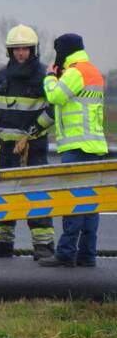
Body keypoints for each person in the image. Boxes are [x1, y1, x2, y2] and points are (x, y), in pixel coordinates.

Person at [0, 25, 56, 260]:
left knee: (37, 195)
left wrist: (32, 131)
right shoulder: (0, 76)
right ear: (9, 52)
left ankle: (43, 245)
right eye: (16, 49)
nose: (21, 53)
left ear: (33, 50)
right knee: (1, 194)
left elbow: (53, 110)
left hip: (32, 146)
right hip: (5, 147)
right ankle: (1, 242)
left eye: (25, 49)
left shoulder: (44, 76)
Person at [38, 34, 108, 268]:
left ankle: (66, 253)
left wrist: (49, 77)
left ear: (64, 51)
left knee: (72, 203)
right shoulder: (94, 72)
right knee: (91, 205)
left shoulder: (76, 72)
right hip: (94, 145)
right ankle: (87, 255)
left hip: (76, 148)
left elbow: (56, 96)